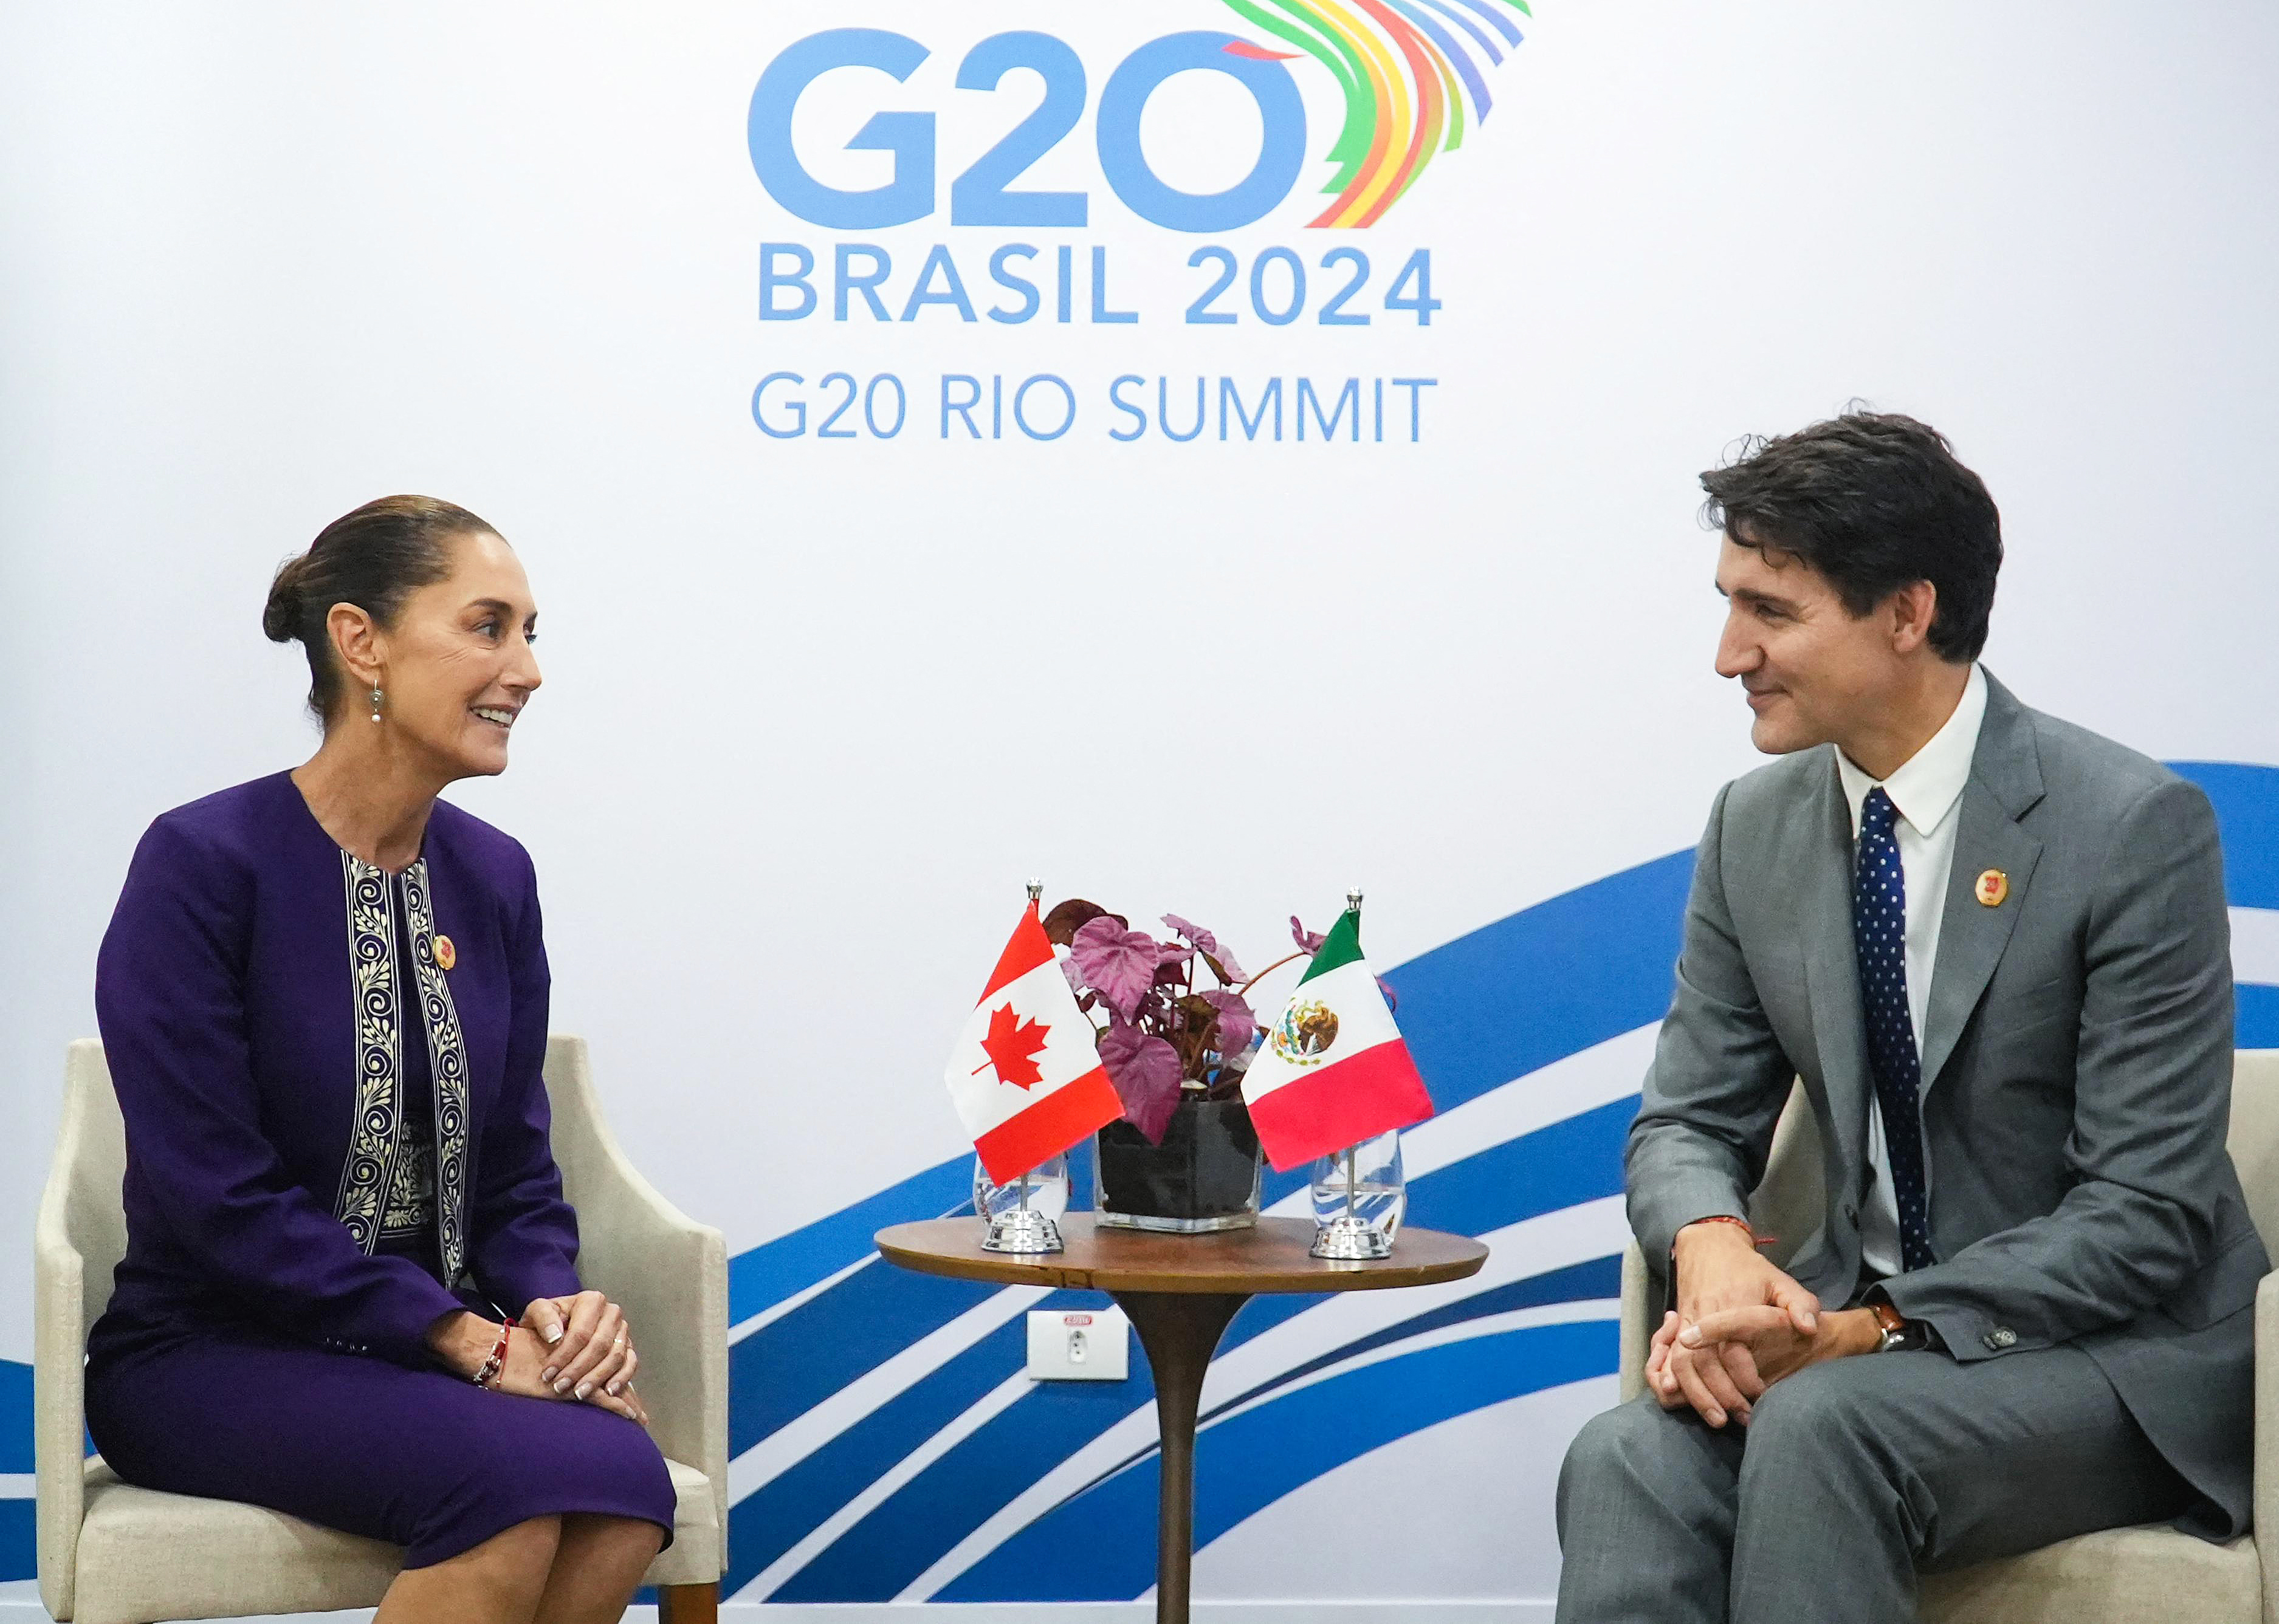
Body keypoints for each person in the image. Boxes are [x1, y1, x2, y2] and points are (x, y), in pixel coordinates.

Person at [1555, 413, 2263, 1622]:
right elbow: (1682, 1122)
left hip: (2106, 1360)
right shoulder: (1755, 825)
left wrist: (1874, 1328)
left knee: (1831, 1426)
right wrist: (1711, 1242)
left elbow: (2144, 1216)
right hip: (1852, 1339)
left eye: (1771, 611)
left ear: (1906, 611)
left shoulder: (2132, 827)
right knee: (1624, 1456)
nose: (1730, 654)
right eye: (1729, 602)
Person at [86, 496, 676, 1624]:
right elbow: (217, 1194)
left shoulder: (495, 876)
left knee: (621, 1482)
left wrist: (552, 1305)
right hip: (205, 1350)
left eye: (530, 632)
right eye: (488, 625)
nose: (527, 670)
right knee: (510, 1487)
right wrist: (458, 1335)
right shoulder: (202, 864)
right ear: (360, 640)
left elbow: (512, 1164)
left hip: (434, 1348)